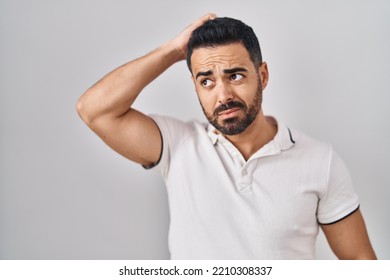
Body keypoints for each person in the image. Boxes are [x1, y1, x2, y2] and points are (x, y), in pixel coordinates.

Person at [76, 14, 376, 259]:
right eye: (206, 81)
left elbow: (360, 263)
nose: (223, 95)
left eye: (235, 76)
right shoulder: (177, 144)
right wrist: (173, 51)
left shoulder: (319, 161)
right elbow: (94, 110)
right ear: (195, 86)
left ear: (263, 76)